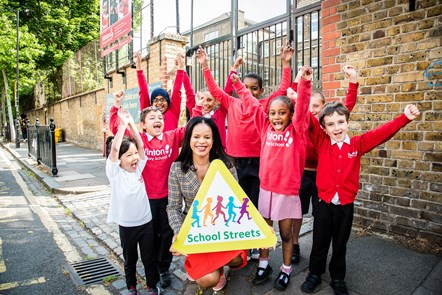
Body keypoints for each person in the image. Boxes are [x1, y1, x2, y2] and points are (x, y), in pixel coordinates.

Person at [300, 102, 421, 295]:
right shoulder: (321, 142)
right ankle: (314, 274)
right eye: (330, 124)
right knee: (320, 241)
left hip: (345, 206)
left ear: (348, 122)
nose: (337, 128)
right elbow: (306, 119)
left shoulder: (357, 144)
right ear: (323, 128)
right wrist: (302, 90)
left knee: (340, 242)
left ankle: (338, 278)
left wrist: (404, 117)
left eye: (340, 122)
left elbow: (382, 133)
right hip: (323, 203)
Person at [196, 43, 293, 260]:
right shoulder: (231, 102)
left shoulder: (266, 105)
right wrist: (205, 66)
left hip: (260, 162)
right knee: (240, 205)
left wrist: (285, 63)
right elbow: (214, 90)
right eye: (245, 87)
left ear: (261, 91)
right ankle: (244, 247)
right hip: (236, 162)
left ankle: (260, 246)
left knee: (257, 204)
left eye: (254, 88)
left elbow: (283, 88)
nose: (249, 92)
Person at [230, 65, 313, 291]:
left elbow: (303, 109)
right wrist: (237, 84)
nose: (276, 117)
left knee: (286, 234)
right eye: (273, 113)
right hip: (266, 189)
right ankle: (263, 265)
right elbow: (252, 104)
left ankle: (286, 269)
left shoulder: (298, 133)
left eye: (282, 113)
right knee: (265, 231)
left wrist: (304, 85)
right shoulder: (264, 127)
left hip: (286, 192)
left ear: (291, 115)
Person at [109, 92, 187, 290]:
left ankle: (163, 268)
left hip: (169, 199)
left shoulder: (171, 137)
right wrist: (116, 107)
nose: (157, 119)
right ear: (143, 124)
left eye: (160, 117)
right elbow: (116, 132)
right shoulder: (139, 143)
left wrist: (199, 107)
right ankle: (149, 270)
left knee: (167, 234)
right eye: (152, 118)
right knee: (150, 238)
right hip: (146, 201)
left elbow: (191, 127)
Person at [167, 117, 248, 293]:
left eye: (207, 137)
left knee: (235, 259)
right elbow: (172, 207)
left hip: (222, 227)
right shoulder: (177, 168)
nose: (201, 142)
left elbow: (237, 202)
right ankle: (204, 267)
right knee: (208, 280)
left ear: (213, 140)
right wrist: (179, 233)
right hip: (194, 230)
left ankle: (217, 266)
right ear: (189, 139)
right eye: (196, 137)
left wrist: (261, 228)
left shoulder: (226, 166)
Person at [291, 65, 359, 264]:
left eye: (316, 106)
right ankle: (294, 245)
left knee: (321, 219)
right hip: (302, 173)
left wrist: (353, 81)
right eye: (309, 105)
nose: (311, 110)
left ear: (323, 108)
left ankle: (319, 252)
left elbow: (347, 106)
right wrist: (300, 82)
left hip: (322, 176)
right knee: (298, 212)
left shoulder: (327, 128)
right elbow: (297, 103)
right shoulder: (303, 121)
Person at [105, 105, 158, 295]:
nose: (135, 157)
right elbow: (115, 149)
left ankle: (152, 285)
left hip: (146, 223)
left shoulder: (139, 169)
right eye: (129, 155)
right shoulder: (115, 173)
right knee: (130, 259)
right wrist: (121, 126)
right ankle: (131, 286)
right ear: (119, 159)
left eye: (135, 154)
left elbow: (140, 144)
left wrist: (131, 124)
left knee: (149, 257)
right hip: (127, 226)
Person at [109, 52, 195, 135]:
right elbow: (143, 92)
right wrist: (138, 65)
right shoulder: (144, 137)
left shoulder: (173, 116)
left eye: (162, 99)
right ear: (144, 124)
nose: (159, 103)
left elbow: (177, 90)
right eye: (155, 100)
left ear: (168, 102)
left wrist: (181, 67)